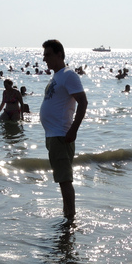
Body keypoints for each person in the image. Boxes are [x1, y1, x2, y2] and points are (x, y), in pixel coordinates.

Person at [39, 39, 88, 223]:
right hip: (53, 135)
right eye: (44, 55)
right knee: (62, 179)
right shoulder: (57, 76)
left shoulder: (68, 75)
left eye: (48, 55)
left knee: (65, 179)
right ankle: (67, 215)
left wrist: (73, 130)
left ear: (60, 54)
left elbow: (83, 102)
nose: (45, 59)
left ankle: (70, 219)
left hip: (61, 135)